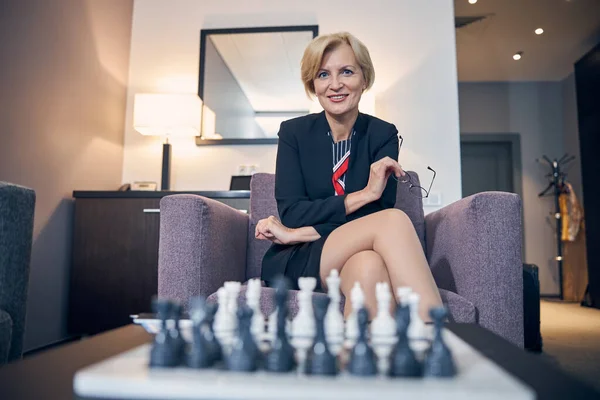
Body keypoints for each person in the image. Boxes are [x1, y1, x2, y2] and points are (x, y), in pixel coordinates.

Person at [255, 32, 442, 321]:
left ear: (364, 79)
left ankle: (360, 360)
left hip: (341, 247)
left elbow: (375, 213)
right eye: (323, 74)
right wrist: (364, 195)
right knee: (393, 220)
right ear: (313, 85)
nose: (335, 84)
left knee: (369, 265)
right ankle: (433, 332)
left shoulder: (383, 134)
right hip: (301, 257)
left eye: (346, 71)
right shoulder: (293, 133)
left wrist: (295, 233)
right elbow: (293, 212)